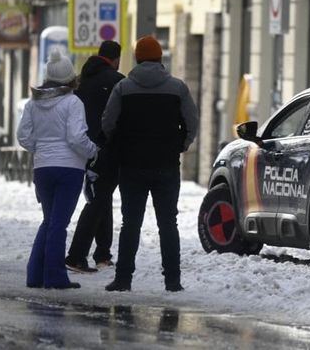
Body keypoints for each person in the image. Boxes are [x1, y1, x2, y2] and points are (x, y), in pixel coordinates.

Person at [102, 36, 198, 293]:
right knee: (168, 223)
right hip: (166, 165)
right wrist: (181, 144)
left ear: (136, 58)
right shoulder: (178, 88)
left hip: (131, 165)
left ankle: (123, 279)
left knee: (130, 223)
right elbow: (192, 121)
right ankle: (173, 280)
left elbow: (107, 122)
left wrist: (119, 143)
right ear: (160, 59)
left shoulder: (123, 88)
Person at [18, 50, 97, 289]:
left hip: (42, 168)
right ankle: (55, 277)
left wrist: (40, 148)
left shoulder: (34, 103)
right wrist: (93, 150)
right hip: (69, 169)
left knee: (49, 221)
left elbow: (23, 136)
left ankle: (35, 275)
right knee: (58, 224)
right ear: (70, 78)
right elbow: (75, 138)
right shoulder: (73, 102)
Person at [65, 41, 124, 273]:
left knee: (102, 196)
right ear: (116, 58)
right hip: (106, 148)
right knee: (98, 200)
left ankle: (102, 253)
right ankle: (76, 255)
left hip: (82, 147)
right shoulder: (117, 81)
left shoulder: (82, 80)